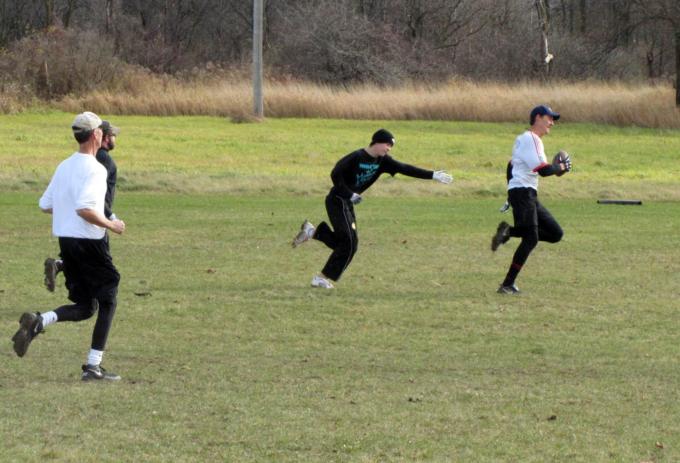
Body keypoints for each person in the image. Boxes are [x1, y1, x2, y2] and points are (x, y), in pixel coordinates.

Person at [11, 111, 126, 381]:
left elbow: (45, 204)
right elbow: (85, 209)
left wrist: (69, 210)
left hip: (67, 242)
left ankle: (39, 321)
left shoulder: (64, 165)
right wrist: (112, 225)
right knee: (108, 298)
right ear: (96, 134)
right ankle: (93, 367)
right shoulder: (96, 169)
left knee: (87, 306)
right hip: (90, 243)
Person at [291, 129, 453, 289]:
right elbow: (335, 174)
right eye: (387, 144)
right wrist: (349, 194)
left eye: (391, 146)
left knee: (349, 245)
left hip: (347, 203)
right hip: (337, 200)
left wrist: (432, 175)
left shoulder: (383, 161)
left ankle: (313, 233)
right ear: (377, 141)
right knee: (349, 244)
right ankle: (320, 278)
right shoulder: (356, 157)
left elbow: (405, 168)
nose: (389, 148)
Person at [491, 105, 571, 294]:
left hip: (525, 193)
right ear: (538, 117)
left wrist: (510, 191)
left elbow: (511, 165)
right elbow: (543, 170)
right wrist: (561, 167)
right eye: (549, 118)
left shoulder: (524, 139)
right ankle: (507, 284)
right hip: (523, 193)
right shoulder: (532, 139)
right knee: (531, 238)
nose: (552, 123)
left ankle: (508, 232)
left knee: (555, 233)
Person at [43, 120, 121, 292]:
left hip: (79, 223)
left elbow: (45, 204)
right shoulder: (103, 161)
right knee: (105, 274)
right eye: (113, 135)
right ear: (104, 137)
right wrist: (111, 218)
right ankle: (95, 297)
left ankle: (59, 265)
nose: (115, 138)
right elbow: (94, 198)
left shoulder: (73, 162)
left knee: (80, 261)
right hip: (94, 219)